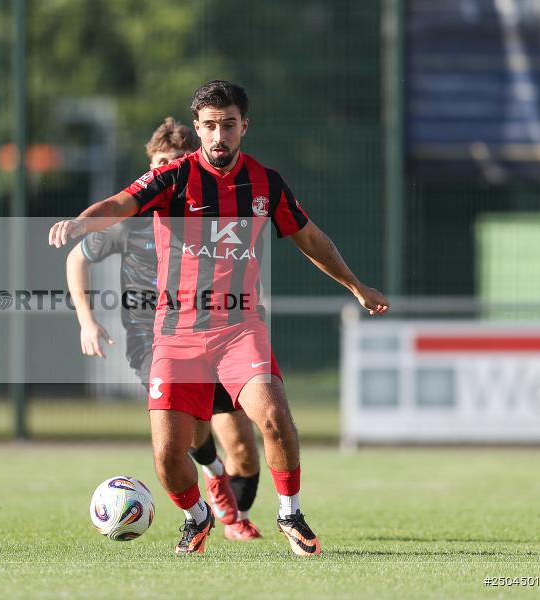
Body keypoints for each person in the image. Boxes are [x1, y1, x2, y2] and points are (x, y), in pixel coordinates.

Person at [50, 80, 389, 555]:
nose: (218, 136)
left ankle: (290, 513)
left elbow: (310, 238)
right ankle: (197, 516)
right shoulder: (172, 178)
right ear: (198, 128)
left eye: (228, 125)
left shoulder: (264, 183)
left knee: (273, 417)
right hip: (175, 334)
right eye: (209, 126)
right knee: (168, 455)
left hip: (238, 328)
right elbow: (121, 203)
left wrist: (356, 285)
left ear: (243, 127)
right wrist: (85, 221)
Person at [65, 117, 262, 540]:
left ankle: (233, 508)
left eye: (173, 163)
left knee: (243, 448)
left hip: (215, 331)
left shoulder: (208, 215)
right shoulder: (129, 220)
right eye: (158, 164)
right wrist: (87, 320)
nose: (164, 172)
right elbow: (77, 258)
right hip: (151, 336)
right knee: (189, 423)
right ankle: (212, 483)